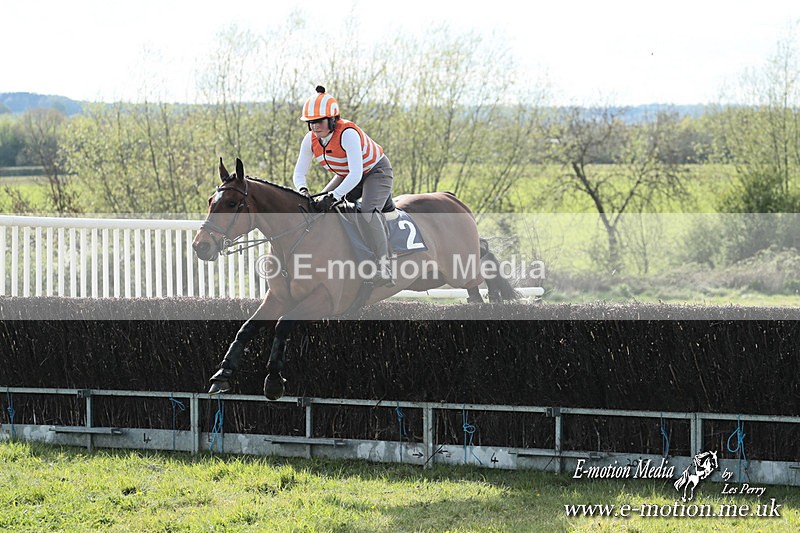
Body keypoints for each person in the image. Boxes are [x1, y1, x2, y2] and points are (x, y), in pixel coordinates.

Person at [293, 85, 395, 287]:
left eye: (319, 121)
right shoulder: (310, 140)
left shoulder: (347, 133)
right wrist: (303, 191)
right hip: (348, 175)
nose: (314, 127)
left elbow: (357, 174)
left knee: (368, 211)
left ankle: (384, 268)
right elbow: (299, 173)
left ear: (332, 120)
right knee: (318, 208)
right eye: (311, 123)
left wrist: (334, 195)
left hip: (376, 172)